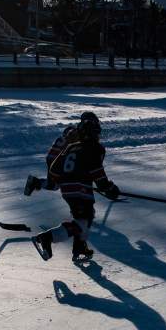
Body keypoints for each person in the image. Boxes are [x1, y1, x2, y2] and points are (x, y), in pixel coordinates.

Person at [31, 111, 120, 262]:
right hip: (81, 189)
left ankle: (79, 247)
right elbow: (98, 173)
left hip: (68, 189)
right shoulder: (94, 147)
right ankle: (47, 237)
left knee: (85, 217)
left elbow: (54, 168)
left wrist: (61, 180)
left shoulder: (71, 146)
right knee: (83, 221)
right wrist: (109, 188)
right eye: (97, 134)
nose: (98, 137)